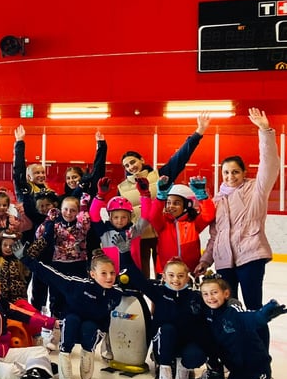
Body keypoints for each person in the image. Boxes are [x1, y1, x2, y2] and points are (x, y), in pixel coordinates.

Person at [196, 109, 277, 311]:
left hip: (250, 256)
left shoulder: (256, 189)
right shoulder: (217, 200)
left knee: (253, 308)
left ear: (243, 172)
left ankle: (257, 334)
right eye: (226, 172)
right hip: (224, 261)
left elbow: (269, 165)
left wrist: (265, 131)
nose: (230, 176)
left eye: (235, 172)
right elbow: (215, 236)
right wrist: (205, 261)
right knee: (228, 309)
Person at [118, 113, 210, 277]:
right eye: (127, 166)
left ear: (141, 160)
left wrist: (198, 133)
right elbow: (120, 214)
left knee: (164, 275)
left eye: (133, 162)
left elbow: (179, 158)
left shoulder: (160, 176)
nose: (131, 167)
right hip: (139, 237)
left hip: (163, 232)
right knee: (142, 277)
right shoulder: (122, 188)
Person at [19, 247, 124, 379]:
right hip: (71, 327)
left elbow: (136, 280)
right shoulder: (78, 286)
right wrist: (25, 258)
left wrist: (125, 253)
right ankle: (65, 359)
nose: (109, 277)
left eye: (112, 273)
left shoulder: (116, 293)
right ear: (93, 274)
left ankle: (87, 355)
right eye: (103, 273)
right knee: (71, 320)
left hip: (92, 331)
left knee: (89, 327)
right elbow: (51, 275)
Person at [198, 276, 287, 379]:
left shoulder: (232, 312)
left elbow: (249, 318)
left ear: (226, 293)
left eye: (214, 292)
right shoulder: (209, 313)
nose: (210, 297)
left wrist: (262, 316)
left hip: (255, 370)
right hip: (237, 371)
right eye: (206, 294)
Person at [119, 258, 208, 379]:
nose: (176, 279)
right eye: (171, 275)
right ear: (164, 277)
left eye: (180, 276)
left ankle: (183, 366)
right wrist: (125, 254)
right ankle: (164, 375)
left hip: (185, 342)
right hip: (164, 343)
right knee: (167, 329)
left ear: (187, 277)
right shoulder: (158, 292)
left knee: (197, 355)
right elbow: (138, 277)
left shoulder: (195, 297)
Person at [146, 176, 215, 275]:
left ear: (187, 205)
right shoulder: (163, 223)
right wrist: (160, 198)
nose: (171, 206)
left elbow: (209, 216)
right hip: (166, 273)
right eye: (168, 203)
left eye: (176, 203)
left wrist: (203, 197)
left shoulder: (193, 223)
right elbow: (153, 216)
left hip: (190, 272)